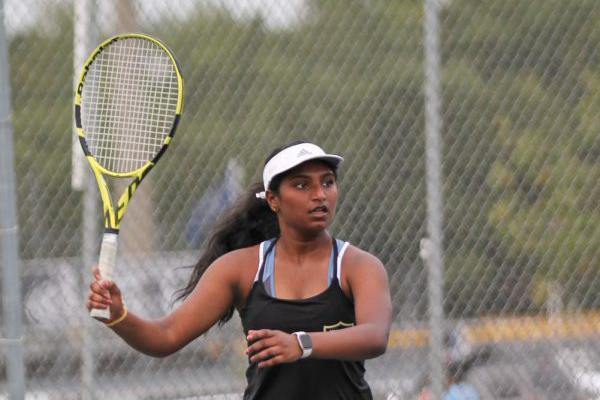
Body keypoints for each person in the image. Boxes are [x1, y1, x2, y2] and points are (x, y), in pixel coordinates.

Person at [86, 140, 392, 400]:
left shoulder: (359, 266)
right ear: (273, 200)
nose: (319, 194)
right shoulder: (239, 269)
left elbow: (375, 336)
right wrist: (119, 317)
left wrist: (300, 343)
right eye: (302, 184)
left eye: (327, 182)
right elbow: (165, 337)